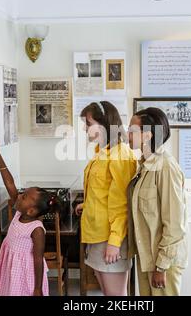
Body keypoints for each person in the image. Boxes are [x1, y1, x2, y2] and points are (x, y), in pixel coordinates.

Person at [75, 101, 137, 296]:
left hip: (109, 237)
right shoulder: (102, 152)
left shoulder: (120, 154)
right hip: (97, 234)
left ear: (104, 124)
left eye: (88, 123)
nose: (85, 128)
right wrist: (88, 204)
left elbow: (122, 203)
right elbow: (104, 191)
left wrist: (114, 242)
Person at [127, 107, 189, 296]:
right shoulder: (144, 166)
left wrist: (161, 266)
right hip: (147, 257)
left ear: (147, 135)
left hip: (162, 262)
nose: (127, 134)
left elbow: (175, 224)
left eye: (132, 130)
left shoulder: (166, 167)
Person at [0, 139, 60, 296]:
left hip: (25, 273)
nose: (19, 196)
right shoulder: (20, 212)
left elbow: (38, 259)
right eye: (22, 194)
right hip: (11, 267)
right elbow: (10, 184)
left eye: (24, 197)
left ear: (31, 211)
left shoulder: (36, 229)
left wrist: (37, 288)